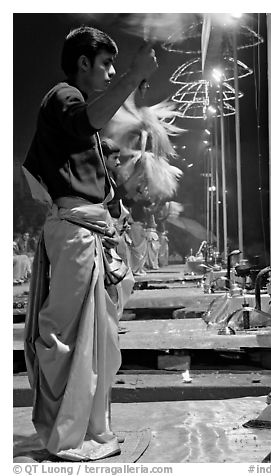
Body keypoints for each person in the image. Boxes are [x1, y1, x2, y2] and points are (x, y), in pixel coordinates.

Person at [23, 26, 157, 461]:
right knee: (67, 337)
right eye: (106, 64)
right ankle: (67, 433)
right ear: (84, 63)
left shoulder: (81, 110)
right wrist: (133, 77)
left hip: (91, 233)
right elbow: (87, 120)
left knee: (98, 342)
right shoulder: (64, 96)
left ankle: (89, 428)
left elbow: (94, 143)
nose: (111, 71)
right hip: (76, 234)